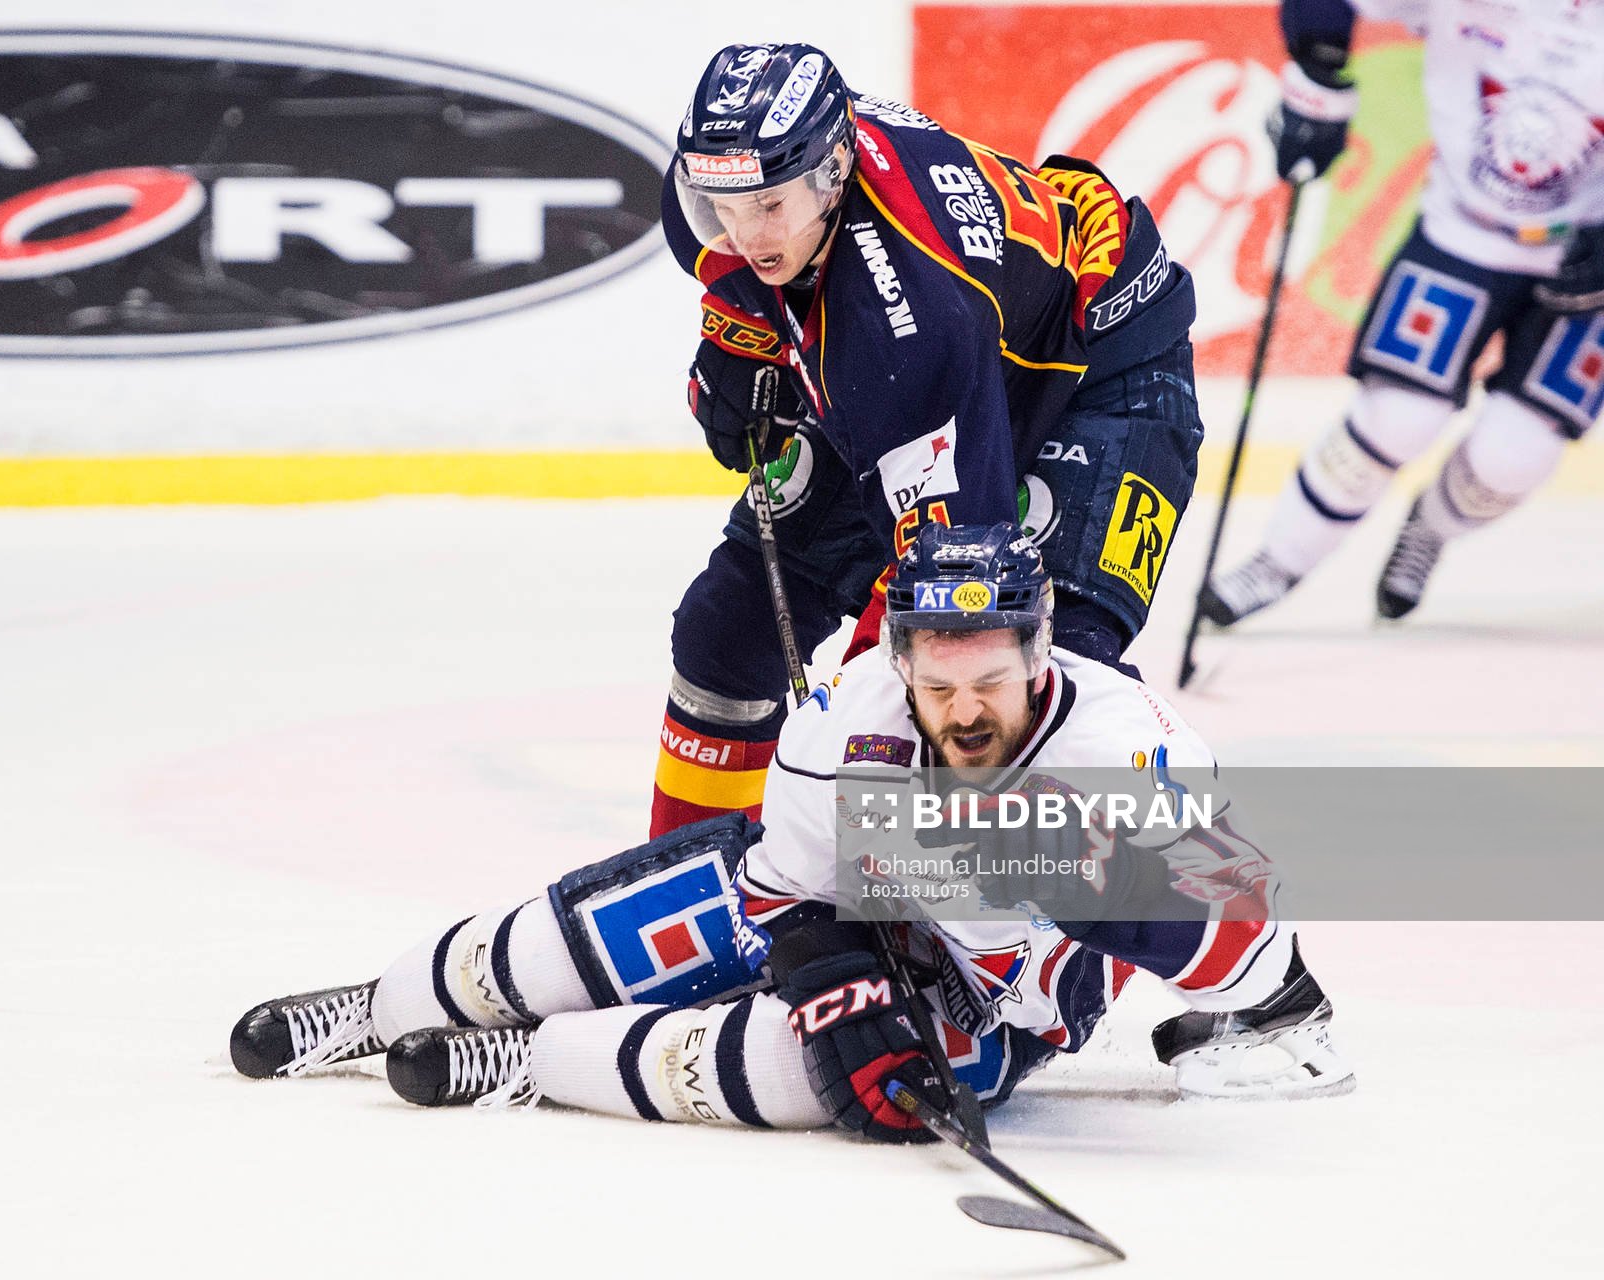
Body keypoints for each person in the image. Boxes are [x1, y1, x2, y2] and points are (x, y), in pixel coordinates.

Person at [229, 524, 1352, 1137]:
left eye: (991, 682)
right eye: (938, 683)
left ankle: (529, 1060)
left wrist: (1116, 892)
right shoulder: (851, 713)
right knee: (653, 916)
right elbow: (784, 889)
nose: (966, 713)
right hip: (875, 894)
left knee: (812, 1073)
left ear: (1041, 653)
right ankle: (382, 1005)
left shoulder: (1128, 750)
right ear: (899, 660)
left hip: (998, 993)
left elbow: (1243, 930)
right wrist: (831, 964)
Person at [647, 42, 1205, 838]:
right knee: (729, 630)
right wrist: (741, 335)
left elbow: (947, 591)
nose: (745, 234)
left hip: (1099, 372)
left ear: (831, 176)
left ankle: (1105, 899)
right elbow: (732, 252)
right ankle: (693, 876)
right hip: (956, 354)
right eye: (723, 209)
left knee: (1024, 674)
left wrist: (845, 743)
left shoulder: (903, 332)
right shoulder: (738, 188)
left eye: (768, 207)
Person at [1203, 0, 1604, 625]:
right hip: (1461, 232)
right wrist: (1319, 67)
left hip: (1590, 258)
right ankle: (1279, 559)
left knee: (1515, 454)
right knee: (1397, 416)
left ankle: (1432, 528)